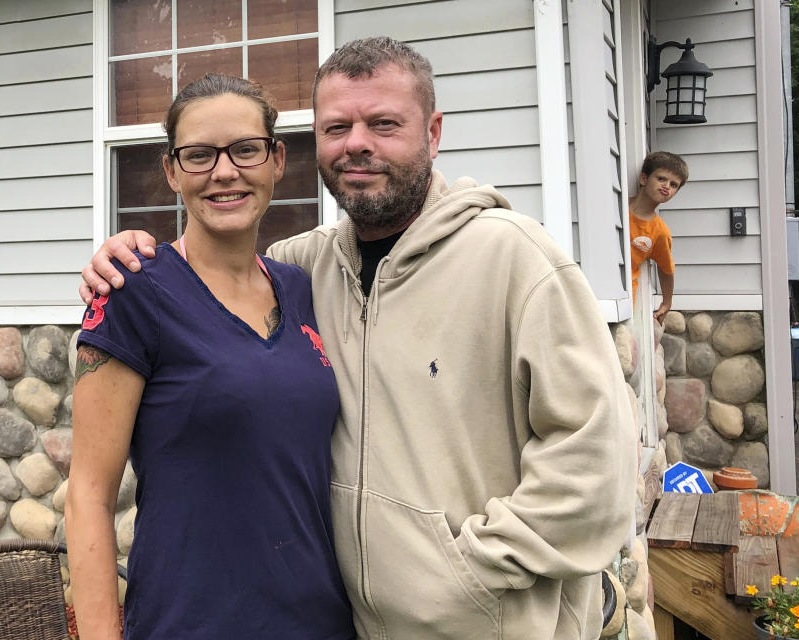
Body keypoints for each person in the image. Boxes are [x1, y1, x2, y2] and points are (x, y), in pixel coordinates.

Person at [81, 37, 637, 640]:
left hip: (484, 623)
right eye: (336, 127)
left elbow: (595, 462)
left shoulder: (514, 260)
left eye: (384, 123)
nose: (357, 144)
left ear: (434, 131)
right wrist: (125, 253)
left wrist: (465, 574)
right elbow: (206, 271)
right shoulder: (305, 270)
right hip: (325, 623)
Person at [66, 74, 355, 640]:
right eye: (198, 155)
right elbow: (88, 495)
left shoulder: (303, 289)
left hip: (319, 622)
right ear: (172, 171)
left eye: (246, 149)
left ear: (276, 160)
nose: (225, 172)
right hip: (191, 622)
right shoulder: (134, 293)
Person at [629, 151, 688, 321]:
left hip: (626, 297)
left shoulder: (660, 231)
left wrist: (667, 302)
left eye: (674, 184)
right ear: (644, 179)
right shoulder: (618, 206)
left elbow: (666, 269)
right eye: (661, 179)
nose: (667, 186)